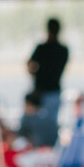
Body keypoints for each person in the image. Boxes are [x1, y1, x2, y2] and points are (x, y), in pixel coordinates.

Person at [25, 16, 69, 147]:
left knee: (40, 125)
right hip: (54, 91)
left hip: (41, 92)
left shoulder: (42, 48)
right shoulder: (63, 50)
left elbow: (29, 64)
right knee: (51, 124)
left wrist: (35, 75)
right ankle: (50, 148)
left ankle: (42, 148)